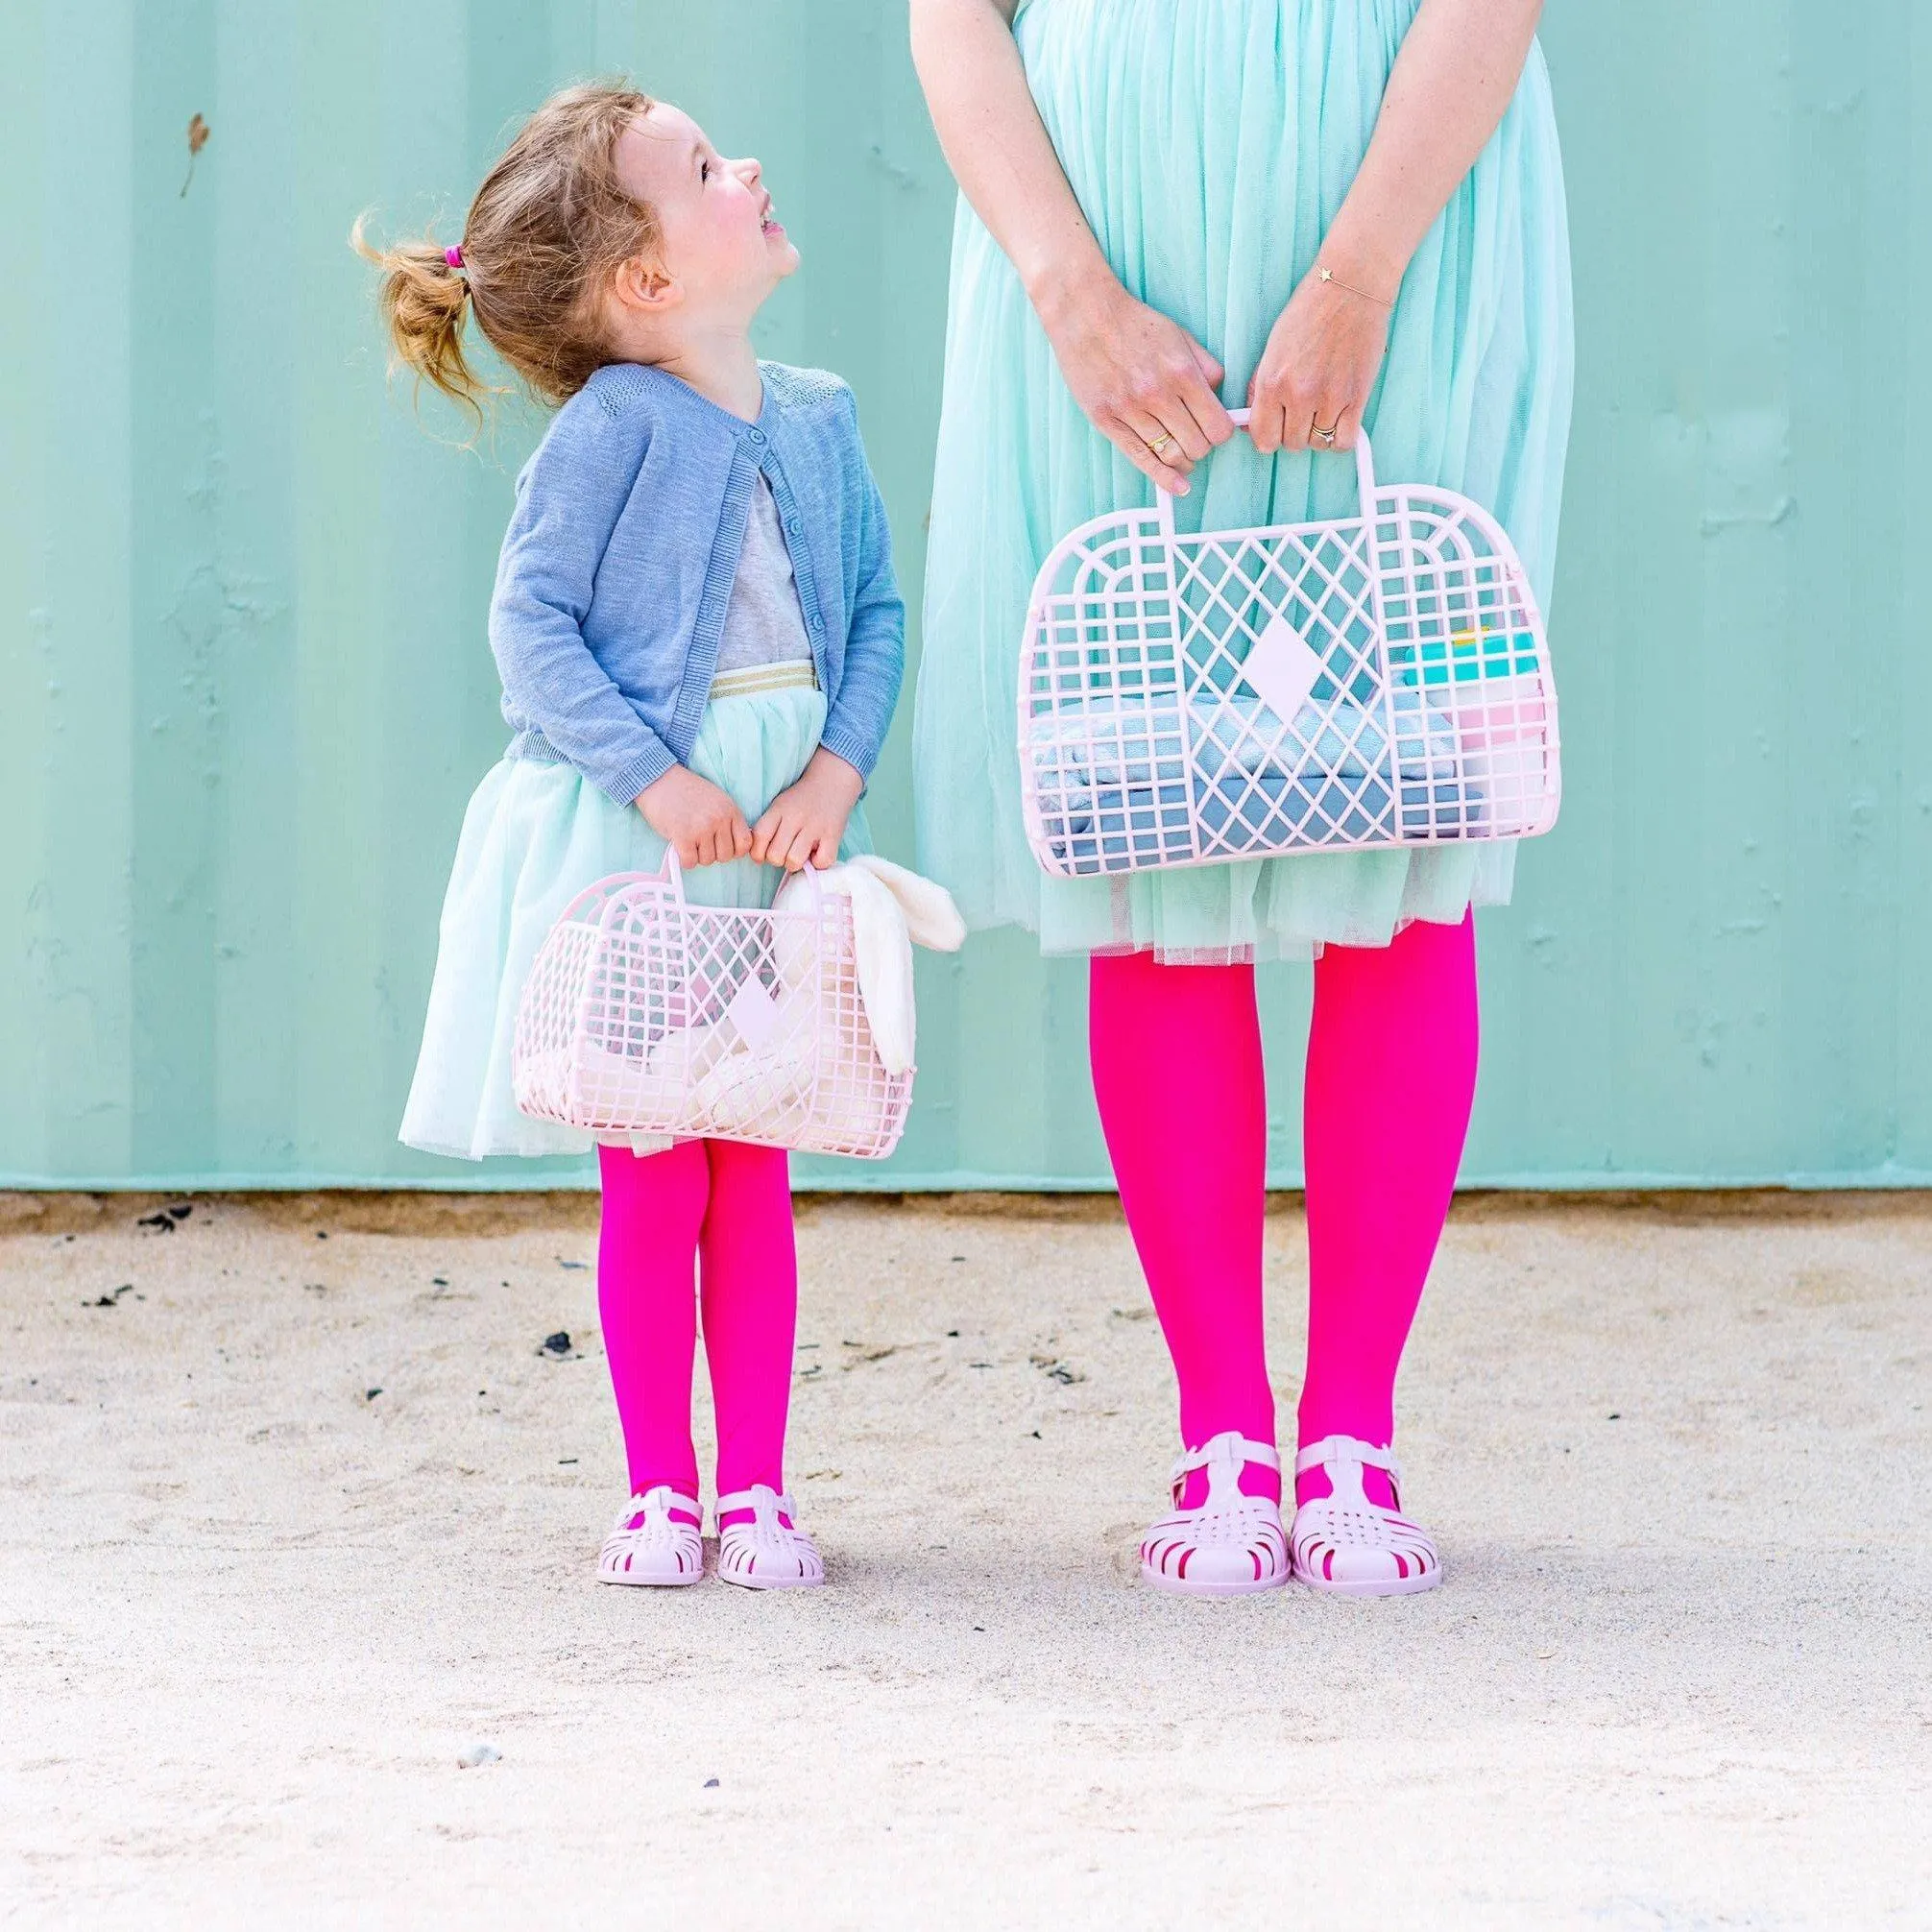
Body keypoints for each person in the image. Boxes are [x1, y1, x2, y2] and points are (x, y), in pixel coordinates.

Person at [910, 0, 1572, 1594]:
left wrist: (1360, 277)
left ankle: (1350, 1431)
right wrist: (1071, 299)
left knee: (1404, 797)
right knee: (1144, 811)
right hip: (1102, 245)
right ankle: (1220, 1432)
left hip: (1407, 227)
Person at [358, 83, 905, 1590]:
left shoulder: (818, 415)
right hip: (650, 848)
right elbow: (529, 625)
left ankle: (765, 1492)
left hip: (779, 853)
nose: (754, 167)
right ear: (649, 284)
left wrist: (836, 778)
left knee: (760, 1159)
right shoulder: (612, 429)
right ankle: (664, 1487)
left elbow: (871, 615)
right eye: (712, 168)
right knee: (660, 1163)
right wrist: (655, 778)